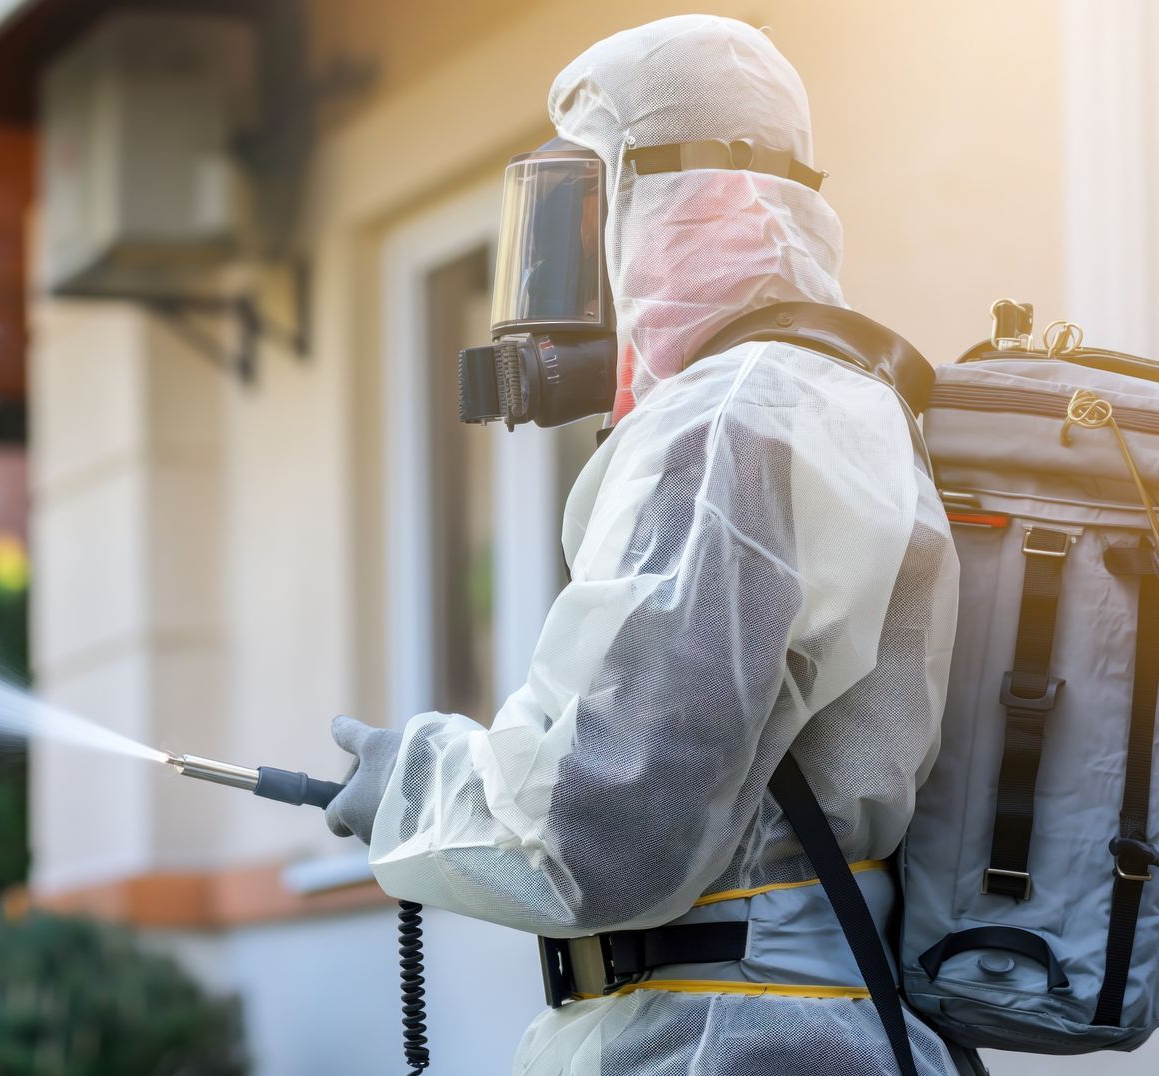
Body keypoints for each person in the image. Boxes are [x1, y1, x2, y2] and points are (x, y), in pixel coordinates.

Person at [325, 15, 961, 1075]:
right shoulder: (842, 397)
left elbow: (604, 825)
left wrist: (413, 781)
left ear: (679, 194)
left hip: (718, 1038)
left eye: (585, 199)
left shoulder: (727, 423)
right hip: (812, 1025)